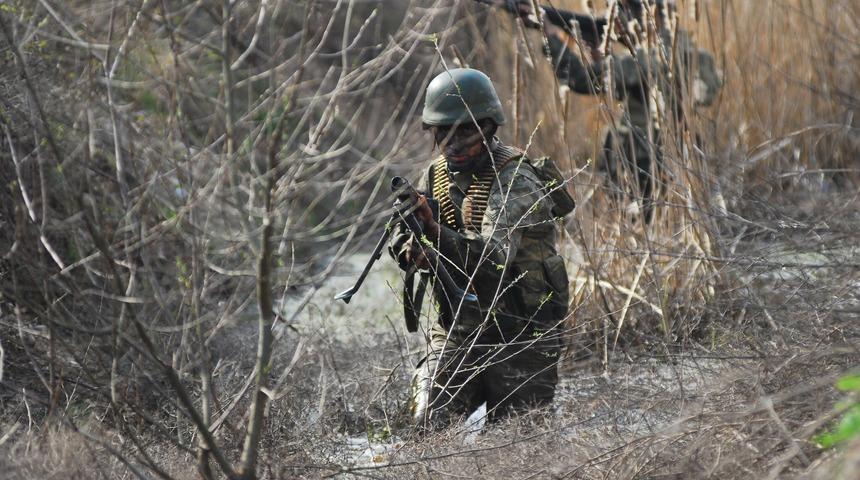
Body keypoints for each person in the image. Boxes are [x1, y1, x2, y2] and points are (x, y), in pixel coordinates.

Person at [390, 68, 571, 429]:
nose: (453, 144)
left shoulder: (517, 179)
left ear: (488, 128)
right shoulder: (436, 175)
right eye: (443, 132)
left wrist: (435, 232)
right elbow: (405, 234)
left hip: (522, 335)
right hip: (460, 327)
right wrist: (410, 247)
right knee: (426, 421)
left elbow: (494, 259)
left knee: (519, 439)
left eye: (465, 132)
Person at [542, 0, 721, 221]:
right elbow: (632, 92)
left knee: (640, 222)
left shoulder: (644, 60)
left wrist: (550, 37)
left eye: (623, 16)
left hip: (641, 164)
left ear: (651, 17)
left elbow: (579, 80)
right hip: (681, 161)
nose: (618, 25)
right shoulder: (696, 56)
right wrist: (599, 56)